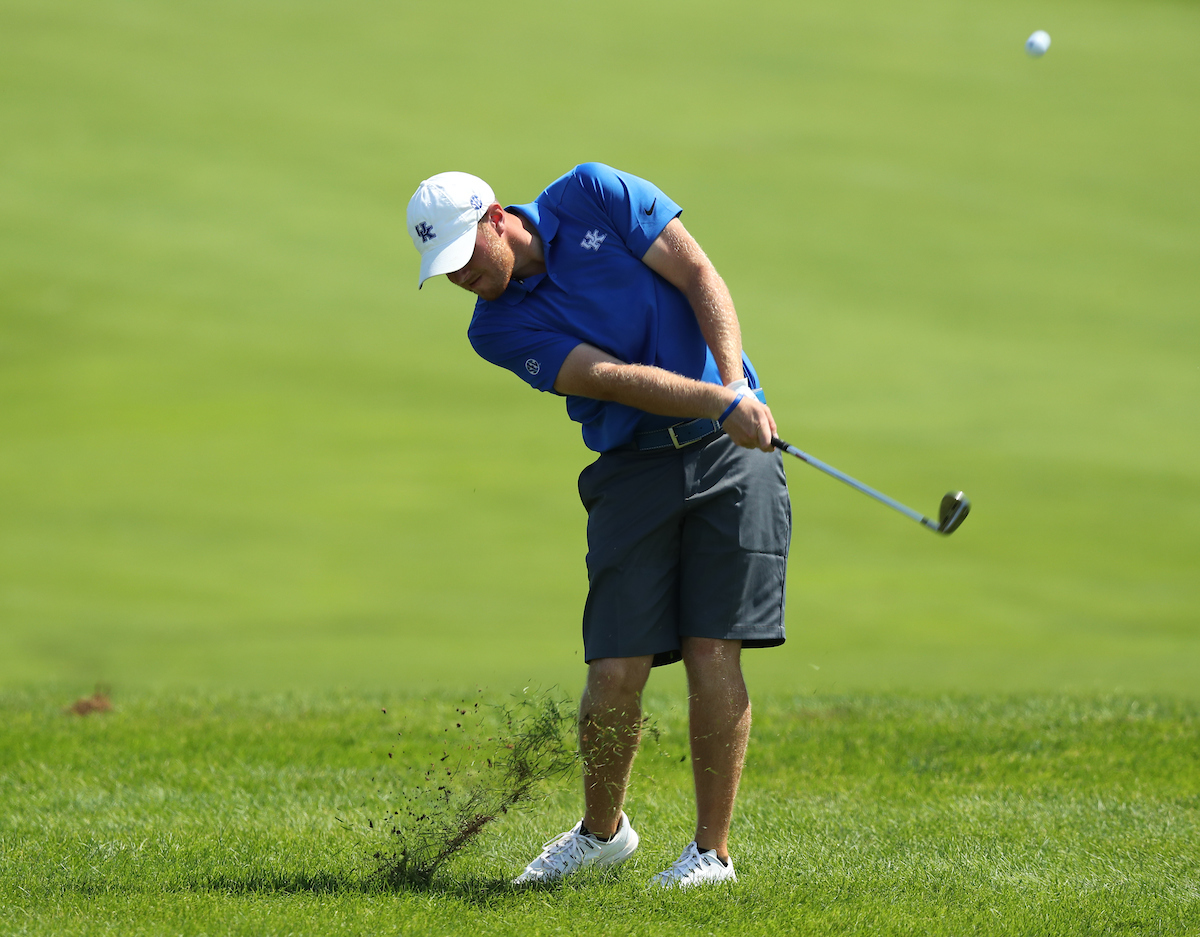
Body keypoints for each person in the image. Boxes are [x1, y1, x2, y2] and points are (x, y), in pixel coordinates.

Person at [406, 163, 791, 889]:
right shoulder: (495, 326)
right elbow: (608, 378)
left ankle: (711, 854)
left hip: (730, 455)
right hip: (632, 468)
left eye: (463, 257)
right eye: (444, 270)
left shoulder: (593, 193)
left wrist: (734, 388)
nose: (459, 277)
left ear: (495, 216)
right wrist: (718, 399)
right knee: (614, 669)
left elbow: (699, 274)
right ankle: (602, 832)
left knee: (714, 652)